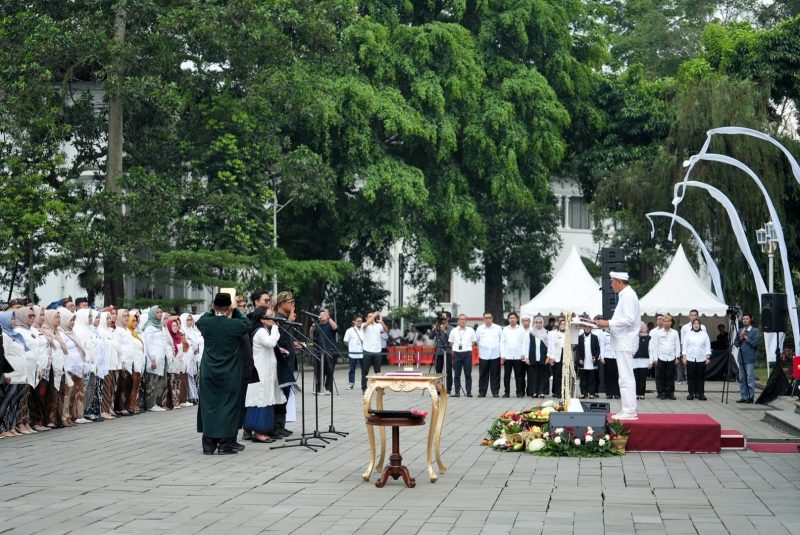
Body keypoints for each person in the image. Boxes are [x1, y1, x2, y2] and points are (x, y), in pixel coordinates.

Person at [196, 292, 250, 455]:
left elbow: (201, 320)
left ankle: (209, 445)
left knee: (209, 406)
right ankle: (226, 444)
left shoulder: (206, 323)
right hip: (230, 371)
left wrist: (213, 310)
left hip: (209, 371)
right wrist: (235, 310)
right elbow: (246, 323)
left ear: (213, 306)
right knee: (229, 406)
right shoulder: (235, 325)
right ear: (229, 307)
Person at [594, 270, 642, 420]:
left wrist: (608, 323)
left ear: (619, 281)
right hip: (623, 341)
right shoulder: (626, 295)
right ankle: (627, 408)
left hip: (626, 341)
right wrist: (607, 325)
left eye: (612, 281)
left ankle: (630, 411)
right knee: (624, 377)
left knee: (626, 377)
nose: (611, 284)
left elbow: (629, 319)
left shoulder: (628, 296)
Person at [244, 306, 286, 443]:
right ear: (262, 319)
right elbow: (270, 342)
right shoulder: (261, 331)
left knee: (266, 399)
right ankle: (258, 431)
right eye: (270, 315)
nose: (273, 318)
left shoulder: (264, 330)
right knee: (260, 400)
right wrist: (275, 327)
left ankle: (263, 430)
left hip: (266, 372)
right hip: (260, 373)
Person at [273, 291, 298, 437]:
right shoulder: (277, 319)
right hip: (281, 363)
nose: (293, 305)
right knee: (281, 394)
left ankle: (281, 424)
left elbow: (287, 339)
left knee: (285, 394)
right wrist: (289, 320)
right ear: (282, 304)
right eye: (291, 302)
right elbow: (280, 338)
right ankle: (276, 425)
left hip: (288, 362)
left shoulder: (284, 319)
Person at [649, 313, 681, 400]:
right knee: (661, 376)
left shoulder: (675, 333)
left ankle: (670, 393)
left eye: (668, 321)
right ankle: (662, 392)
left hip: (671, 357)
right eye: (665, 321)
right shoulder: (658, 333)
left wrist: (677, 357)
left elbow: (677, 345)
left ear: (671, 322)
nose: (666, 323)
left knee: (670, 376)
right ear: (662, 322)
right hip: (661, 357)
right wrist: (655, 358)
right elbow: (655, 346)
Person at [143, 306, 169, 412]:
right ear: (153, 313)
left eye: (160, 312)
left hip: (161, 358)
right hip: (153, 358)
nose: (159, 314)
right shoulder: (149, 327)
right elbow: (148, 344)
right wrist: (152, 358)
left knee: (158, 382)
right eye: (157, 312)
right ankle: (150, 404)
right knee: (151, 382)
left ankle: (156, 403)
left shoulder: (160, 326)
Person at [733, 312, 760, 403]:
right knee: (741, 378)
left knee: (750, 378)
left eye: (747, 319)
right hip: (741, 358)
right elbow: (736, 344)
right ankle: (744, 396)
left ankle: (751, 397)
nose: (745, 320)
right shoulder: (740, 330)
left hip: (750, 358)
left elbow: (755, 344)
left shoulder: (755, 331)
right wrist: (741, 338)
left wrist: (746, 337)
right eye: (743, 319)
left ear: (750, 320)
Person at [310, 308, 337, 395]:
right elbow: (311, 338)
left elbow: (335, 328)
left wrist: (328, 317)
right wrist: (311, 330)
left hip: (330, 351)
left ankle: (328, 389)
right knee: (318, 371)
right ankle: (318, 389)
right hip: (319, 351)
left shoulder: (330, 324)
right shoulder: (316, 325)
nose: (322, 316)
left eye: (324, 314)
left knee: (330, 370)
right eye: (320, 315)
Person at [448, 314, 476, 397]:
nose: (462, 321)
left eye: (464, 319)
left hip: (467, 354)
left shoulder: (471, 330)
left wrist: (466, 347)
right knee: (457, 374)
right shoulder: (454, 330)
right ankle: (457, 392)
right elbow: (451, 343)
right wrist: (456, 348)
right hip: (457, 354)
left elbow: (473, 342)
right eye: (461, 319)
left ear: (466, 321)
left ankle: (469, 392)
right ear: (458, 321)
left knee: (468, 374)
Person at [683, 318, 711, 400]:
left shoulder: (704, 334)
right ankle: (691, 393)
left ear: (700, 325)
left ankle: (700, 393)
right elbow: (685, 346)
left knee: (700, 377)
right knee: (691, 377)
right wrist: (684, 357)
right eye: (694, 323)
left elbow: (707, 346)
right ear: (692, 325)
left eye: (697, 323)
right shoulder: (688, 334)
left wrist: (708, 357)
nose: (696, 325)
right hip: (690, 358)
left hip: (701, 358)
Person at [476, 312, 502, 398]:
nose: (488, 319)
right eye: (486, 318)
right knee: (483, 374)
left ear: (492, 318)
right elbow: (477, 341)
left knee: (495, 374)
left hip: (495, 354)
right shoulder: (480, 328)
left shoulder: (498, 328)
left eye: (489, 318)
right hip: (483, 355)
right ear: (483, 319)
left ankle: (495, 392)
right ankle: (482, 392)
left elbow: (501, 340)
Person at [500, 312, 526, 398]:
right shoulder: (505, 330)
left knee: (519, 375)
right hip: (507, 356)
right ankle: (506, 392)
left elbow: (524, 343)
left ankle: (519, 392)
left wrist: (523, 354)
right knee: (507, 375)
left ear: (517, 319)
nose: (512, 319)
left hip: (518, 356)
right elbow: (502, 343)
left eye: (514, 318)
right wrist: (502, 355)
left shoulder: (521, 329)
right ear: (508, 320)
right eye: (510, 318)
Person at [678, 309, 706, 384]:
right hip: (689, 353)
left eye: (695, 315)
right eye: (692, 315)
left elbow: (705, 341)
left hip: (700, 354)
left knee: (699, 374)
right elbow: (682, 342)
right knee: (689, 373)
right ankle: (690, 387)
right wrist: (683, 355)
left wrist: (706, 355)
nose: (693, 317)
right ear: (689, 316)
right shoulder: (684, 327)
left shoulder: (703, 327)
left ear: (698, 316)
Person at [362, 311, 387, 393]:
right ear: (366, 318)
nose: (372, 318)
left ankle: (379, 388)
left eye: (372, 316)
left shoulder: (378, 325)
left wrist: (382, 322)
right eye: (369, 316)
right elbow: (366, 325)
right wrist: (374, 315)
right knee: (365, 370)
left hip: (377, 351)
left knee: (378, 371)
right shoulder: (364, 325)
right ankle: (364, 388)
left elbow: (386, 330)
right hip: (367, 350)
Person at [181, 313, 203, 404]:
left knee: (192, 377)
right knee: (188, 376)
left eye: (191, 320)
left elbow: (196, 344)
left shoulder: (192, 331)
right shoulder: (182, 331)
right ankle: (191, 397)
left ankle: (194, 396)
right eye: (188, 320)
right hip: (186, 357)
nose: (190, 322)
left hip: (193, 356)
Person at [524, 317, 549, 398]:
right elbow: (527, 346)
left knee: (542, 376)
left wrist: (548, 357)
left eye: (540, 322)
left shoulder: (546, 333)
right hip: (533, 357)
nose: (538, 324)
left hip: (543, 357)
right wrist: (527, 358)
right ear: (534, 323)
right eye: (537, 322)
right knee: (533, 376)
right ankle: (534, 392)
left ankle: (541, 392)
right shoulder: (531, 333)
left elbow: (550, 346)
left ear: (542, 323)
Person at [575, 324, 600, 399]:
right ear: (583, 328)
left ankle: (591, 393)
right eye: (586, 327)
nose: (587, 328)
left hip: (591, 361)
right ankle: (583, 393)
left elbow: (598, 349)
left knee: (592, 378)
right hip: (583, 361)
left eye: (589, 327)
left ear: (591, 328)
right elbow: (577, 350)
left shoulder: (595, 337)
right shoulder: (579, 337)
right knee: (583, 378)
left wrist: (595, 357)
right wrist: (579, 359)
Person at [432, 313, 454, 394]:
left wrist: (444, 331)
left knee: (448, 371)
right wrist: (434, 329)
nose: (442, 319)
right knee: (438, 371)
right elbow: (430, 336)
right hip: (439, 351)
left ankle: (448, 390)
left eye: (444, 318)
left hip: (447, 351)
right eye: (441, 318)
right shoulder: (437, 327)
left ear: (448, 318)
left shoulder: (452, 328)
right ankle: (438, 389)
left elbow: (451, 340)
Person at [546, 318, 567, 398]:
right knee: (557, 374)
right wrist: (551, 356)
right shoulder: (554, 333)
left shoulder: (569, 334)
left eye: (564, 324)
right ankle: (557, 392)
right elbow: (551, 346)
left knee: (565, 374)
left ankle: (565, 391)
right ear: (559, 325)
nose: (563, 325)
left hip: (566, 355)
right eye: (561, 324)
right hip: (557, 355)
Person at [342, 316, 364, 390]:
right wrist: (351, 347)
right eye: (358, 321)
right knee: (352, 369)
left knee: (364, 370)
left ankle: (364, 384)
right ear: (354, 322)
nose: (360, 322)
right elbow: (345, 341)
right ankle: (351, 383)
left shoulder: (364, 329)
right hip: (353, 353)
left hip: (362, 352)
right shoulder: (349, 330)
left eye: (361, 321)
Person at [633, 322, 651, 400]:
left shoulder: (649, 338)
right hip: (634, 360)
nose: (640, 328)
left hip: (645, 360)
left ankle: (642, 393)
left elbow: (650, 350)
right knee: (636, 378)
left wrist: (651, 361)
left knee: (643, 378)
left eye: (641, 326)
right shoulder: (633, 337)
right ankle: (636, 393)